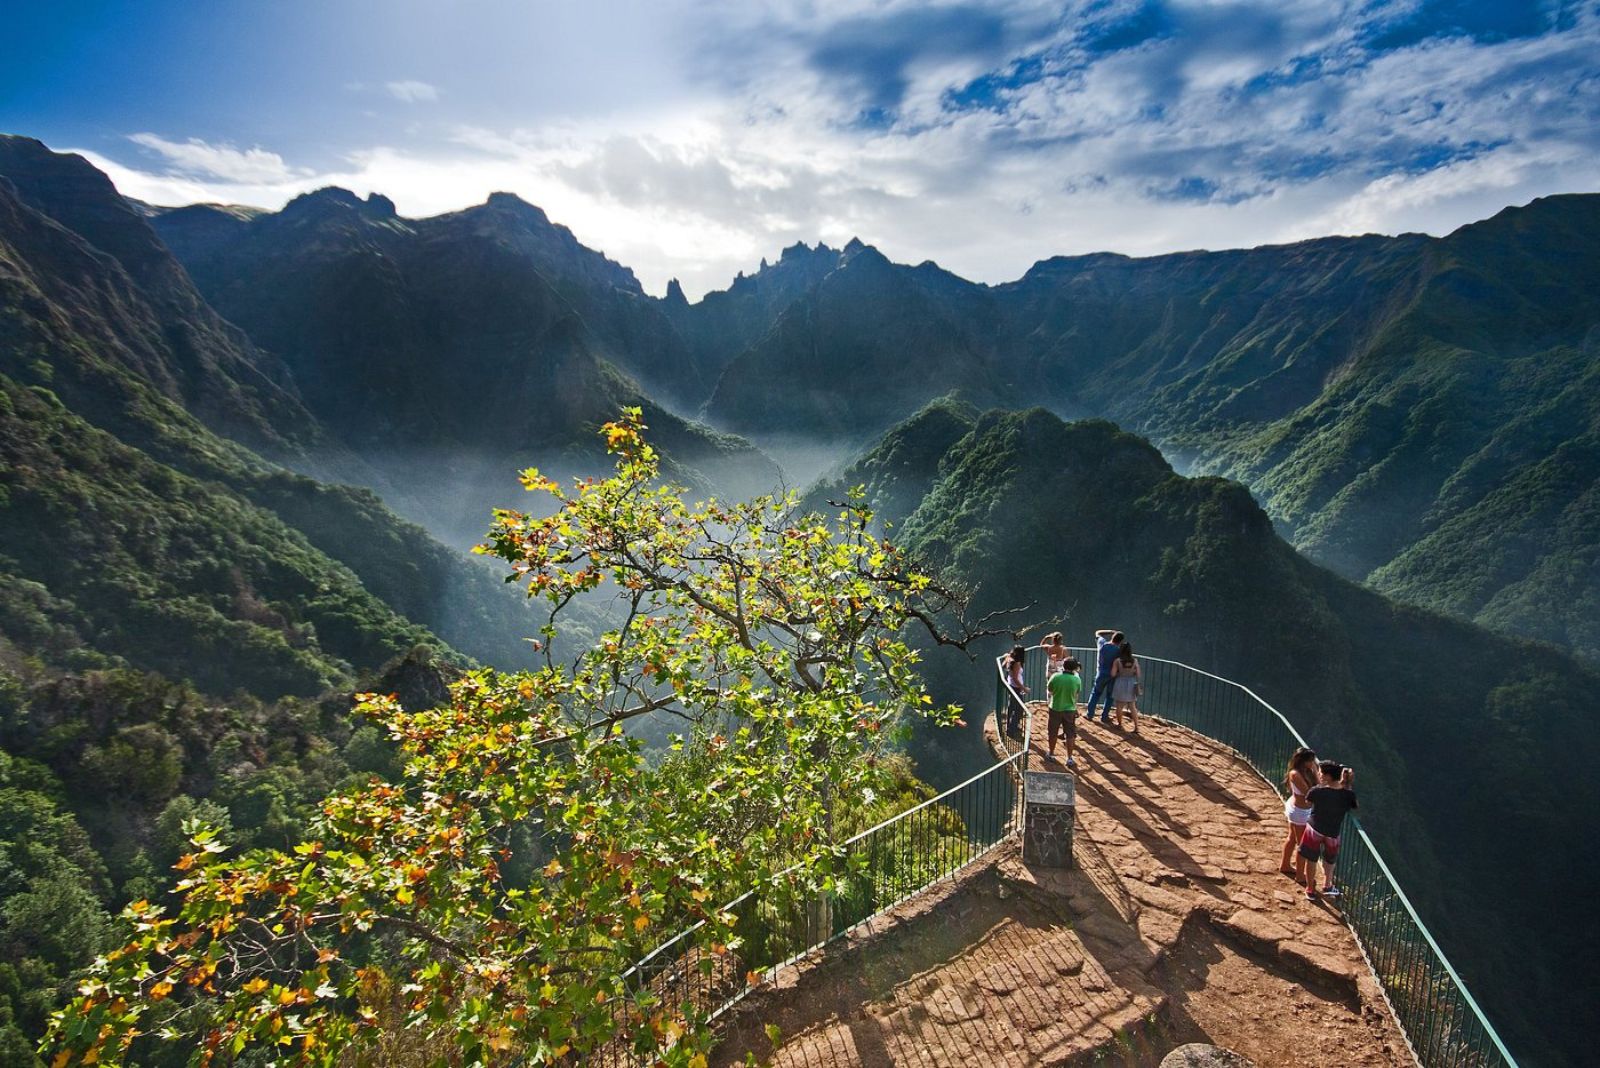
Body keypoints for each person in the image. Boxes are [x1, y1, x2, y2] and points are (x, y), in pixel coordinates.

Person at [1298, 760, 1358, 900]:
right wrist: (1347, 784)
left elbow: (1308, 801)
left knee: (1311, 859)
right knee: (1330, 860)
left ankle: (1310, 889)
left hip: (1315, 829)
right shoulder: (1348, 794)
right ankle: (1327, 885)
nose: (1318, 774)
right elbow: (1354, 806)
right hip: (1333, 831)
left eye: (1320, 772)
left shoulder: (1317, 791)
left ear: (1327, 776)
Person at [1279, 746, 1318, 878]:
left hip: (1300, 809)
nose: (1313, 763)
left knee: (1292, 838)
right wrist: (1316, 773)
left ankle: (1285, 865)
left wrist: (1314, 772)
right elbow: (1310, 793)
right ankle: (1300, 875)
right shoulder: (1295, 774)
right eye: (1311, 761)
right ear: (1304, 761)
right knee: (1302, 845)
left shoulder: (1304, 771)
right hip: (1299, 812)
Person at [1046, 656, 1083, 767]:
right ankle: (1069, 758)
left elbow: (1050, 689)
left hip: (1055, 707)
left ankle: (1051, 753)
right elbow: (1077, 694)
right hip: (1069, 709)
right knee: (1070, 734)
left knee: (1053, 732)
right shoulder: (1076, 679)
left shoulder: (1055, 676)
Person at [1084, 629, 1122, 723]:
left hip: (1101, 673)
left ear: (1112, 637)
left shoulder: (1102, 644)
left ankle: (1090, 714)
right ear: (1120, 641)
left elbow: (1097, 633)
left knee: (1095, 693)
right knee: (1109, 696)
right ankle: (1104, 717)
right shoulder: (1119, 651)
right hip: (1113, 675)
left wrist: (1110, 631)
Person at [1109, 640, 1141, 731]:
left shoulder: (1117, 661)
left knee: (1119, 706)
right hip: (1131, 683)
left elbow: (1113, 674)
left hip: (1120, 682)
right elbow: (1138, 674)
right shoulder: (1134, 660)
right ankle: (1136, 727)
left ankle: (1119, 724)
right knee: (1132, 706)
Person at [1003, 645, 1028, 737]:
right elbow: (1016, 678)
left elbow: (1003, 666)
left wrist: (1007, 656)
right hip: (1016, 687)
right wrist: (1023, 688)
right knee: (1019, 710)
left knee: (1012, 706)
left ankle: (1010, 727)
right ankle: (1011, 730)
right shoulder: (1017, 663)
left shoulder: (1009, 659)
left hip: (1011, 686)